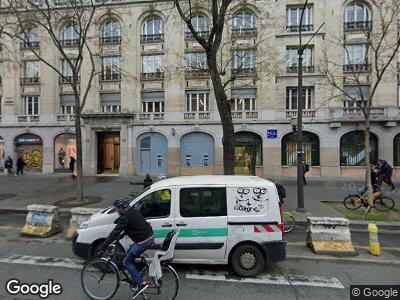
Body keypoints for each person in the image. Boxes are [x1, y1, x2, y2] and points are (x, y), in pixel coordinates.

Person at [98, 198, 154, 299]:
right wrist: (120, 236)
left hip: (144, 241)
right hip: (148, 238)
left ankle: (141, 283)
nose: (117, 211)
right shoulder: (132, 211)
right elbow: (129, 227)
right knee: (129, 253)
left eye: (117, 209)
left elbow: (114, 232)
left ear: (121, 208)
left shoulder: (125, 217)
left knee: (126, 262)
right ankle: (136, 276)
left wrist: (103, 247)